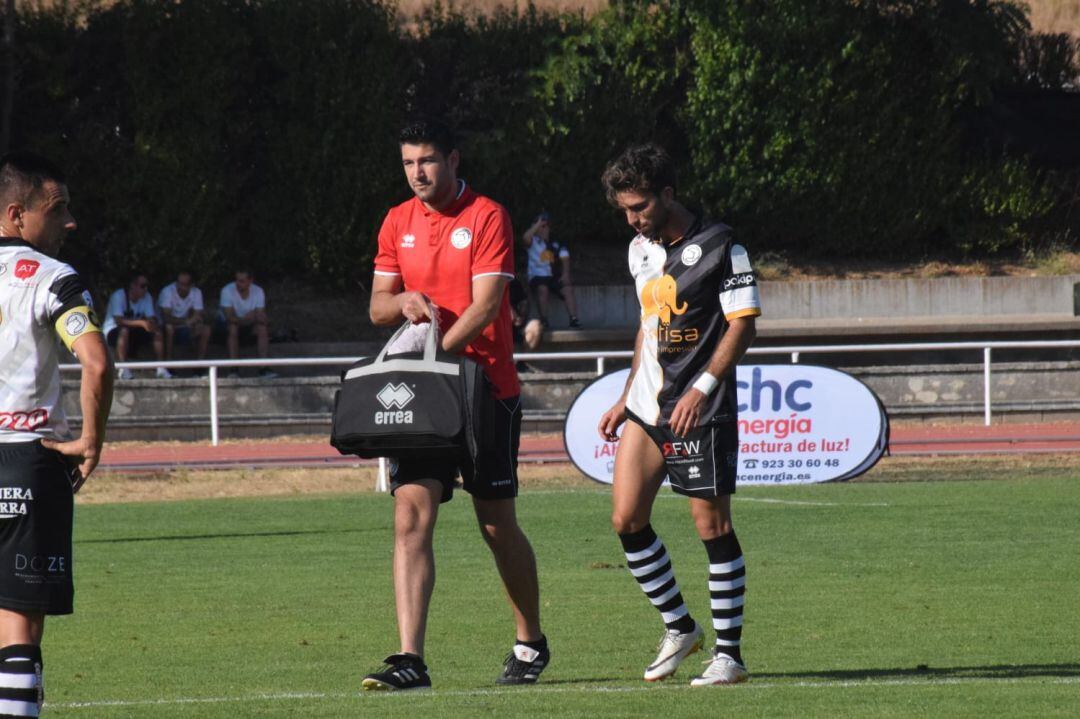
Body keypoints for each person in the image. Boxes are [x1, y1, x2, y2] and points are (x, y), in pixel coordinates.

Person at [363, 118, 549, 691]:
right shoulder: (397, 220)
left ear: (454, 159)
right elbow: (377, 307)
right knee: (410, 515)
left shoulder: (487, 215)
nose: (418, 172)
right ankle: (410, 660)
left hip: (485, 388)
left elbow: (487, 305)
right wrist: (404, 303)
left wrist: (435, 358)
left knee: (496, 526)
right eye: (408, 163)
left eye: (428, 160)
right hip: (425, 395)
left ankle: (530, 642)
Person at [596, 143, 760, 686]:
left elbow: (743, 325)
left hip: (700, 408)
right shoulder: (639, 249)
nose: (633, 219)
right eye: (625, 209)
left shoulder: (722, 246)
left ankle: (729, 656)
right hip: (648, 406)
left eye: (640, 206)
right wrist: (625, 394)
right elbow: (649, 323)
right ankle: (680, 628)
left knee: (711, 525)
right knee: (626, 519)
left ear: (668, 194)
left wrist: (703, 386)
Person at [0, 151, 114, 717]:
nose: (70, 221)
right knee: (20, 620)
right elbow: (96, 363)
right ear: (18, 215)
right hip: (27, 459)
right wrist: (91, 442)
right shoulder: (53, 277)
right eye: (58, 208)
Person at [102, 273, 170, 379]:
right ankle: (124, 369)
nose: (145, 289)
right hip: (113, 330)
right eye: (142, 286)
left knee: (157, 332)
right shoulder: (119, 296)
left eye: (147, 286)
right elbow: (119, 320)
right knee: (124, 331)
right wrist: (142, 323)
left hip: (136, 330)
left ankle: (161, 367)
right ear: (133, 286)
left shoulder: (147, 297)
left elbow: (150, 316)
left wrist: (151, 323)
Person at [521, 212, 580, 329]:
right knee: (542, 288)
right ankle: (544, 320)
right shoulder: (532, 242)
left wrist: (565, 274)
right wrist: (537, 224)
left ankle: (574, 320)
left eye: (546, 226)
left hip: (552, 276)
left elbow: (565, 257)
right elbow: (525, 238)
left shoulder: (555, 242)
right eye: (541, 227)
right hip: (536, 276)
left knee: (567, 288)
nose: (544, 229)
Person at [217, 269, 276, 379]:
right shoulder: (227, 291)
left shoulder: (258, 291)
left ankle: (263, 368)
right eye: (237, 280)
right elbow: (230, 318)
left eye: (242, 281)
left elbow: (261, 317)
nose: (238, 284)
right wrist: (247, 318)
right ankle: (233, 369)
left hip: (247, 326)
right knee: (233, 328)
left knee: (262, 328)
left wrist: (252, 318)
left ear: (250, 281)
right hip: (225, 328)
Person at [157, 270, 211, 369]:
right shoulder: (167, 291)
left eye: (184, 284)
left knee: (205, 329)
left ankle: (199, 365)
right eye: (179, 283)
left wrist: (195, 322)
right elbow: (166, 317)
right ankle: (169, 363)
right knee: (169, 327)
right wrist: (186, 321)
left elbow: (197, 315)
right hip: (167, 327)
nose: (180, 287)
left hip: (187, 326)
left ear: (192, 285)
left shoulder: (197, 292)